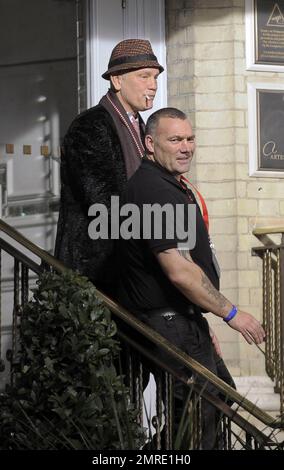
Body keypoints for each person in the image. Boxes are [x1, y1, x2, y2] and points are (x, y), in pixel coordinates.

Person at [117, 107, 266, 449]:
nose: (185, 147)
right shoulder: (155, 191)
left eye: (190, 138)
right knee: (199, 415)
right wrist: (231, 314)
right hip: (166, 322)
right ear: (150, 143)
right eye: (175, 139)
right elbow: (179, 271)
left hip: (180, 319)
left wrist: (197, 317)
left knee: (217, 402)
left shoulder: (166, 184)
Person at [54, 39, 164, 295]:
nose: (153, 85)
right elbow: (103, 204)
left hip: (134, 265)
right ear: (116, 80)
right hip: (98, 273)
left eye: (155, 77)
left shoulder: (142, 126)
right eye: (144, 76)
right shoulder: (90, 126)